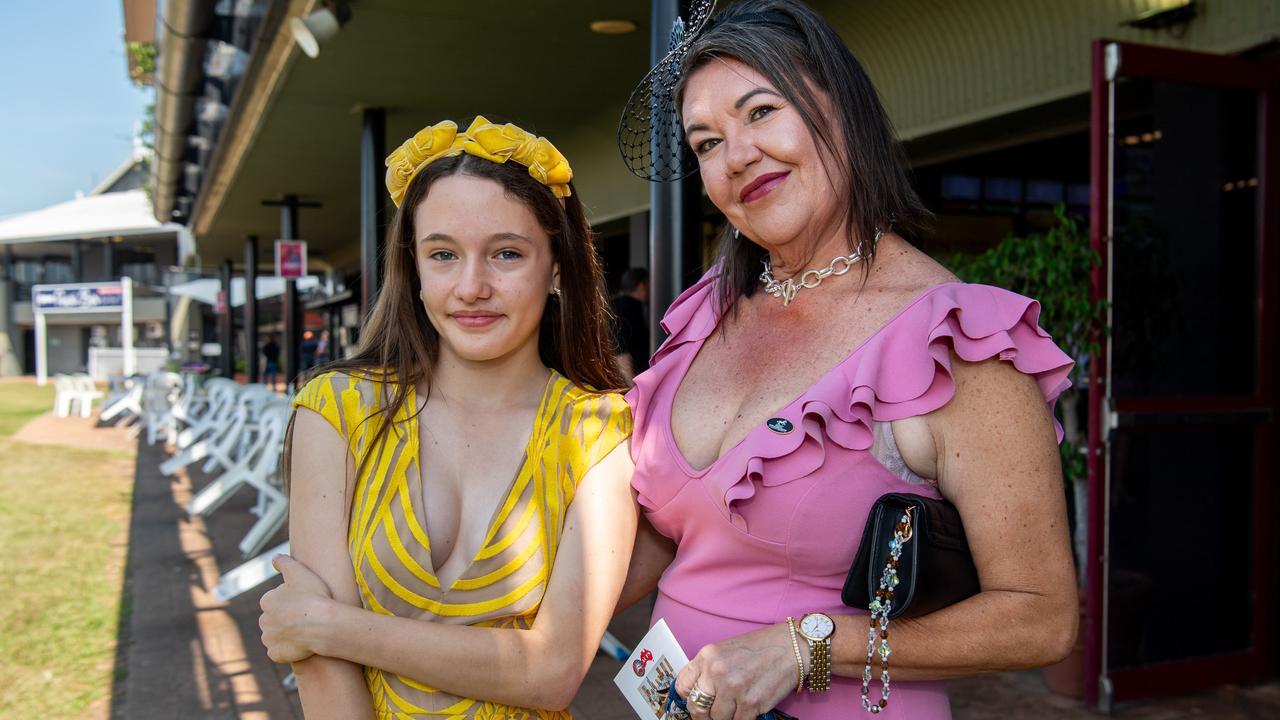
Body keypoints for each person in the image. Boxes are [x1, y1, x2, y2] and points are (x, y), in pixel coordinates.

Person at [614, 2, 1078, 718]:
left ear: (843, 111)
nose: (736, 156)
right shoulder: (708, 307)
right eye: (705, 142)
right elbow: (664, 526)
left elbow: (1041, 617)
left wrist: (808, 646)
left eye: (761, 111)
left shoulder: (956, 337)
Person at [257, 116, 637, 719]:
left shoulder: (599, 431)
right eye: (443, 254)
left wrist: (330, 626)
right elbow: (324, 678)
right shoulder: (338, 409)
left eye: (506, 254)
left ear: (558, 266)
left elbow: (552, 672)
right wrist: (320, 637)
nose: (471, 286)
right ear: (414, 271)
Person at [611, 267, 651, 384]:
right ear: (641, 286)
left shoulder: (617, 306)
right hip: (629, 382)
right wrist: (633, 388)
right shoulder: (629, 309)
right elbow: (621, 351)